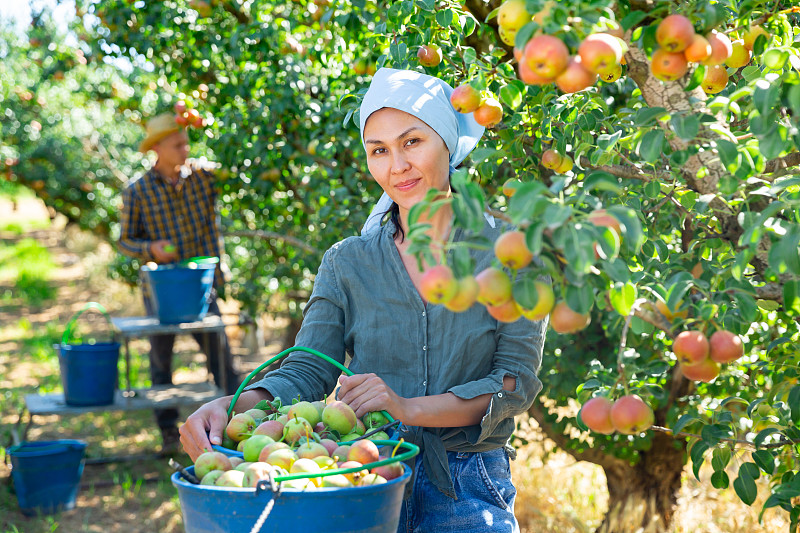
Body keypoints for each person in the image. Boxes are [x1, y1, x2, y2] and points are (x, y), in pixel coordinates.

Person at [179, 68, 546, 532]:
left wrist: (407, 407)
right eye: (379, 150)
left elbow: (513, 382)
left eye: (412, 142)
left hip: (468, 483)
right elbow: (308, 369)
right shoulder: (346, 263)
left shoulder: (511, 256)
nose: (396, 165)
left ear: (447, 144)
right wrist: (235, 407)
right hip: (360, 473)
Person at [119, 113, 240, 453]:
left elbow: (237, 168)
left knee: (221, 356)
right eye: (178, 144)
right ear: (157, 148)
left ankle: (238, 421)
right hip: (162, 292)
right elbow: (124, 240)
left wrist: (205, 120)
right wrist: (150, 248)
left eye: (187, 142)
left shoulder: (203, 177)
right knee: (160, 361)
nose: (185, 149)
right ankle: (168, 432)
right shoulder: (137, 191)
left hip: (200, 286)